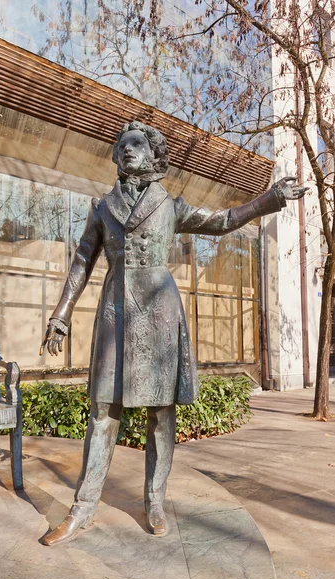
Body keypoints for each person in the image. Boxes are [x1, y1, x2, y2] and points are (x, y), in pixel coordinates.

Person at [40, 121, 307, 545]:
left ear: (152, 155)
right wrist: (60, 315)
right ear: (115, 155)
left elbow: (222, 220)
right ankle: (83, 508)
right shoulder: (101, 208)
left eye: (137, 143)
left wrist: (268, 200)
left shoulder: (170, 205)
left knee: (161, 413)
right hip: (115, 312)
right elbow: (81, 262)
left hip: (161, 312)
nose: (127, 149)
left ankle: (155, 499)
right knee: (102, 412)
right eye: (121, 143)